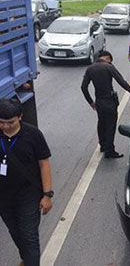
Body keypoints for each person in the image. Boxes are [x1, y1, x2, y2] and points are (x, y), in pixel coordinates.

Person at [0, 99, 53, 266]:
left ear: (20, 117)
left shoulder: (33, 135)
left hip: (28, 195)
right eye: (1, 122)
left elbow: (44, 164)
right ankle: (26, 258)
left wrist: (47, 195)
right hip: (3, 197)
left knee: (29, 236)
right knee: (15, 232)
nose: (5, 126)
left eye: (10, 122)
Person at [81, 50, 130, 159]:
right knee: (110, 126)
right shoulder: (108, 67)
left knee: (101, 123)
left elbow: (83, 87)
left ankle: (102, 145)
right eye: (109, 60)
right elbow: (122, 82)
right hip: (109, 101)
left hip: (99, 101)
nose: (110, 62)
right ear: (106, 58)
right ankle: (109, 150)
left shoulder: (90, 69)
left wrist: (91, 102)